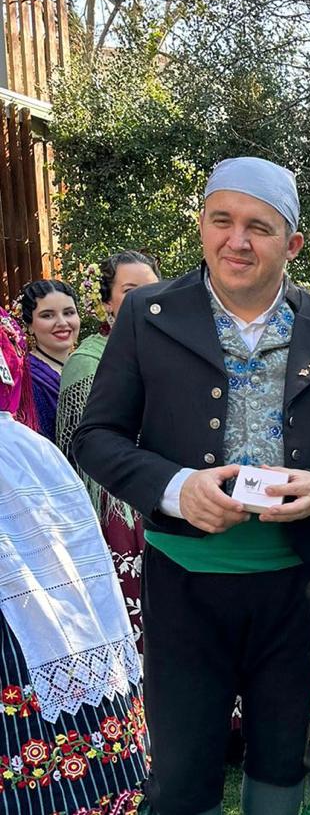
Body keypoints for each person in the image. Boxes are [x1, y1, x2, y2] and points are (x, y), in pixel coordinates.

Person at [73, 156, 310, 815]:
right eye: (222, 221)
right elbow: (97, 437)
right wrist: (175, 487)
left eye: (259, 226)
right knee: (186, 773)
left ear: (292, 243)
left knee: (280, 764)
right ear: (202, 227)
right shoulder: (148, 315)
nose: (237, 240)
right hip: (183, 581)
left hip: (294, 583)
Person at [0, 307, 148, 814]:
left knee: (55, 618)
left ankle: (84, 790)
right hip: (23, 468)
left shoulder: (4, 327)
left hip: (21, 471)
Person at [56, 251, 161, 652]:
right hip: (115, 504)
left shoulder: (176, 348)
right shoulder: (87, 361)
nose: (144, 299)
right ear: (108, 302)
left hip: (175, 490)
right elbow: (75, 448)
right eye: (131, 291)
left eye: (151, 290)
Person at [19, 278, 81, 441]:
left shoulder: (89, 365)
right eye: (47, 315)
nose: (62, 322)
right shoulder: (27, 380)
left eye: (69, 313)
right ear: (29, 325)